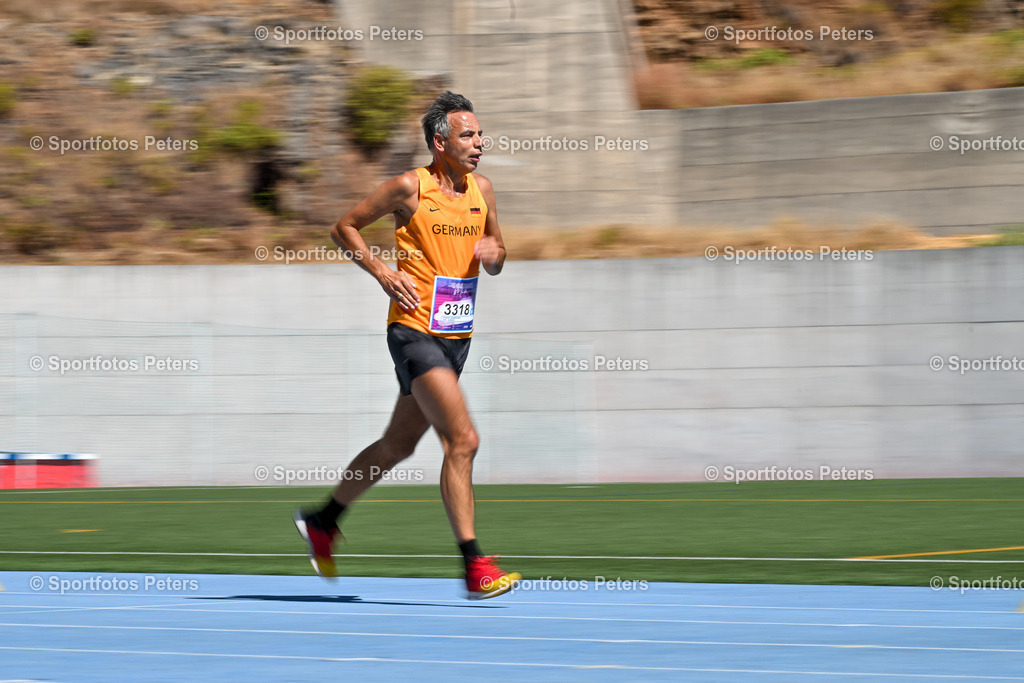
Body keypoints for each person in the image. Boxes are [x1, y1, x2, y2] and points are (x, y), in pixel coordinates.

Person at [294, 91, 520, 599]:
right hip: (413, 332)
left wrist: (494, 252)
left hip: (456, 337)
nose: (479, 143)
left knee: (398, 445)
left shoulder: (483, 189)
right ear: (440, 142)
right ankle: (473, 564)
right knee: (463, 441)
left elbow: (499, 255)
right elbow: (343, 227)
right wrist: (380, 270)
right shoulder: (408, 187)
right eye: (468, 135)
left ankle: (324, 520)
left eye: (480, 134)